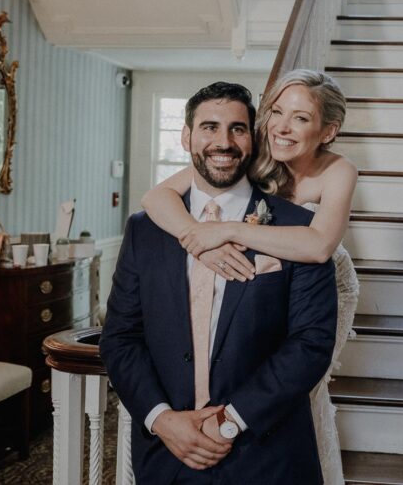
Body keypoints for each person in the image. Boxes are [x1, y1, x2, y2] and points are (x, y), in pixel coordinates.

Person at [100, 81, 338, 484]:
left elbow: (311, 343)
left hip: (267, 456)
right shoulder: (146, 230)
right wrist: (162, 420)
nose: (222, 142)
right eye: (209, 127)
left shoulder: (298, 227)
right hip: (168, 455)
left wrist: (230, 420)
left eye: (237, 129)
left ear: (253, 139)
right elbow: (120, 337)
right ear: (186, 137)